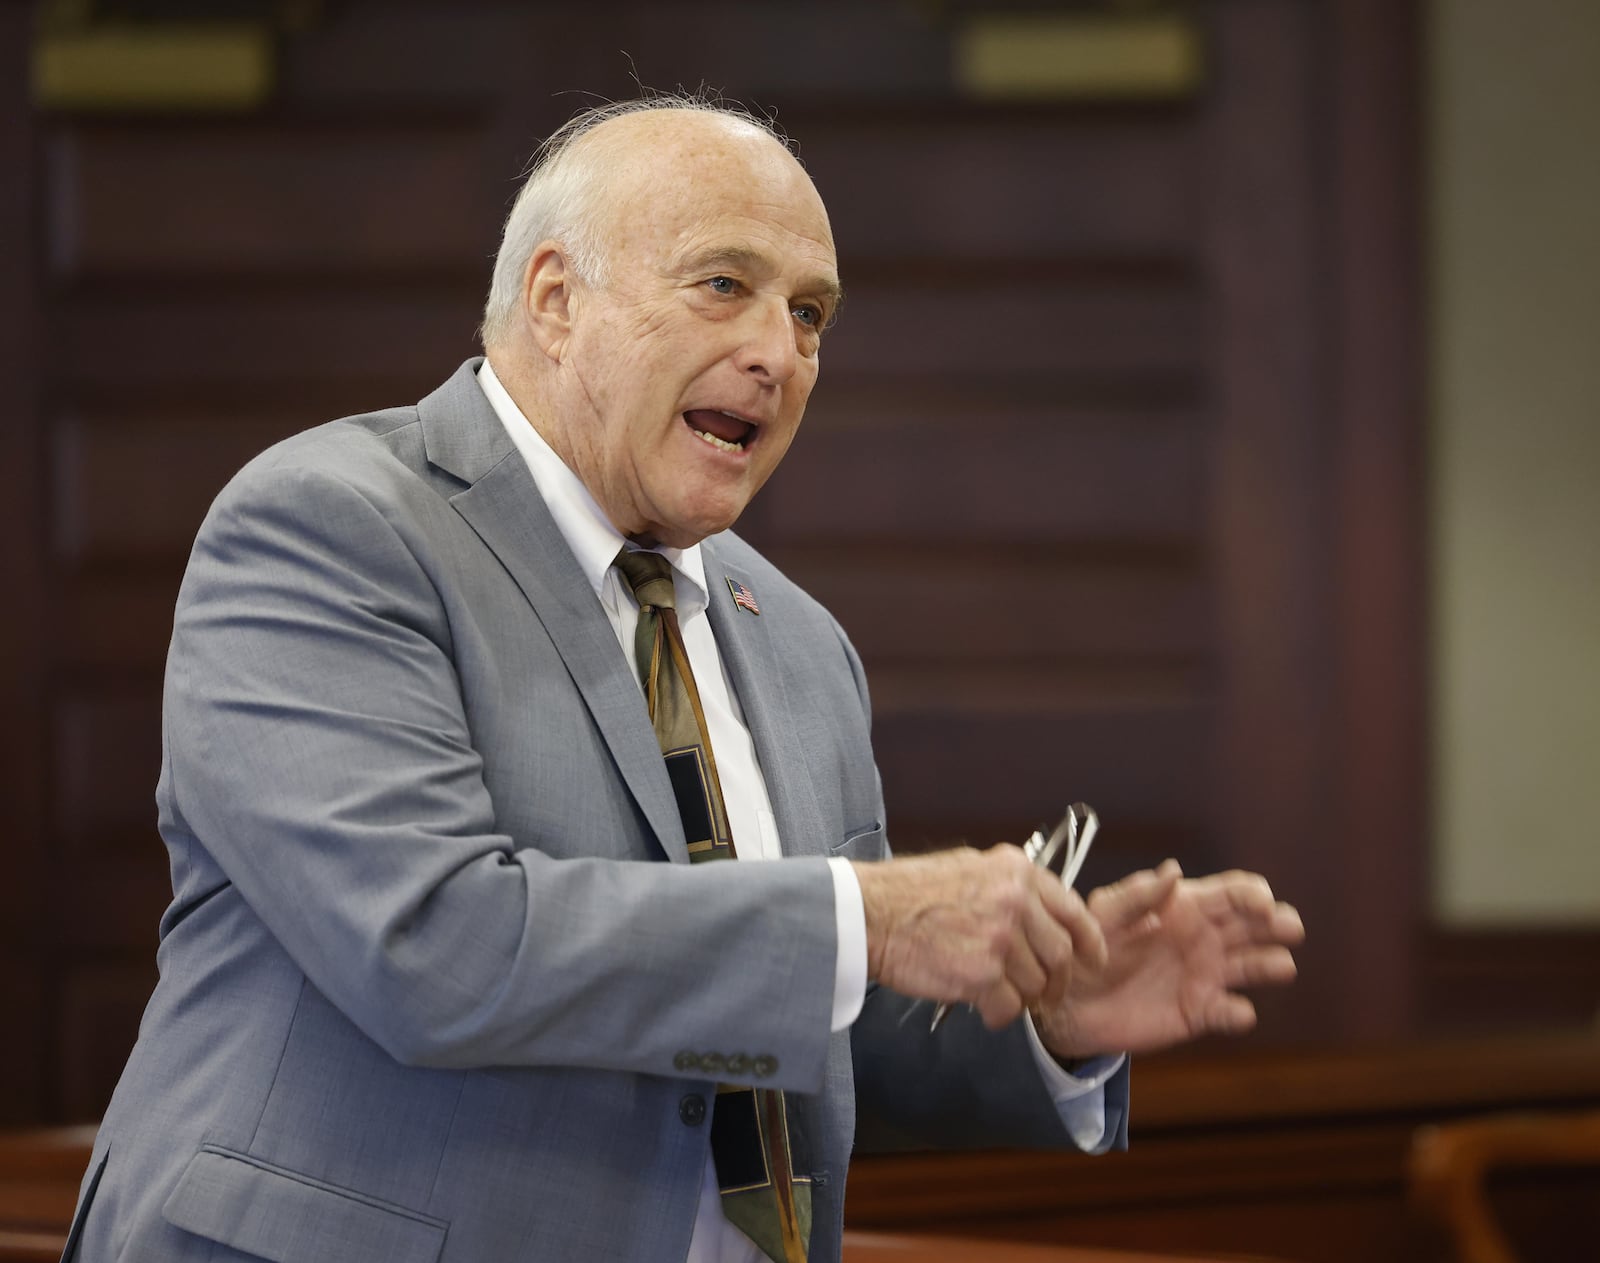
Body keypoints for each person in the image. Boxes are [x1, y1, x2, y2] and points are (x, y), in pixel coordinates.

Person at [63, 95, 1304, 1263]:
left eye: (811, 314)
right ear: (555, 299)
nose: (778, 353)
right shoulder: (331, 525)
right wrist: (872, 916)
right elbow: (428, 945)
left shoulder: (799, 641)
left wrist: (1045, 1015)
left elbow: (802, 1016)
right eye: (726, 287)